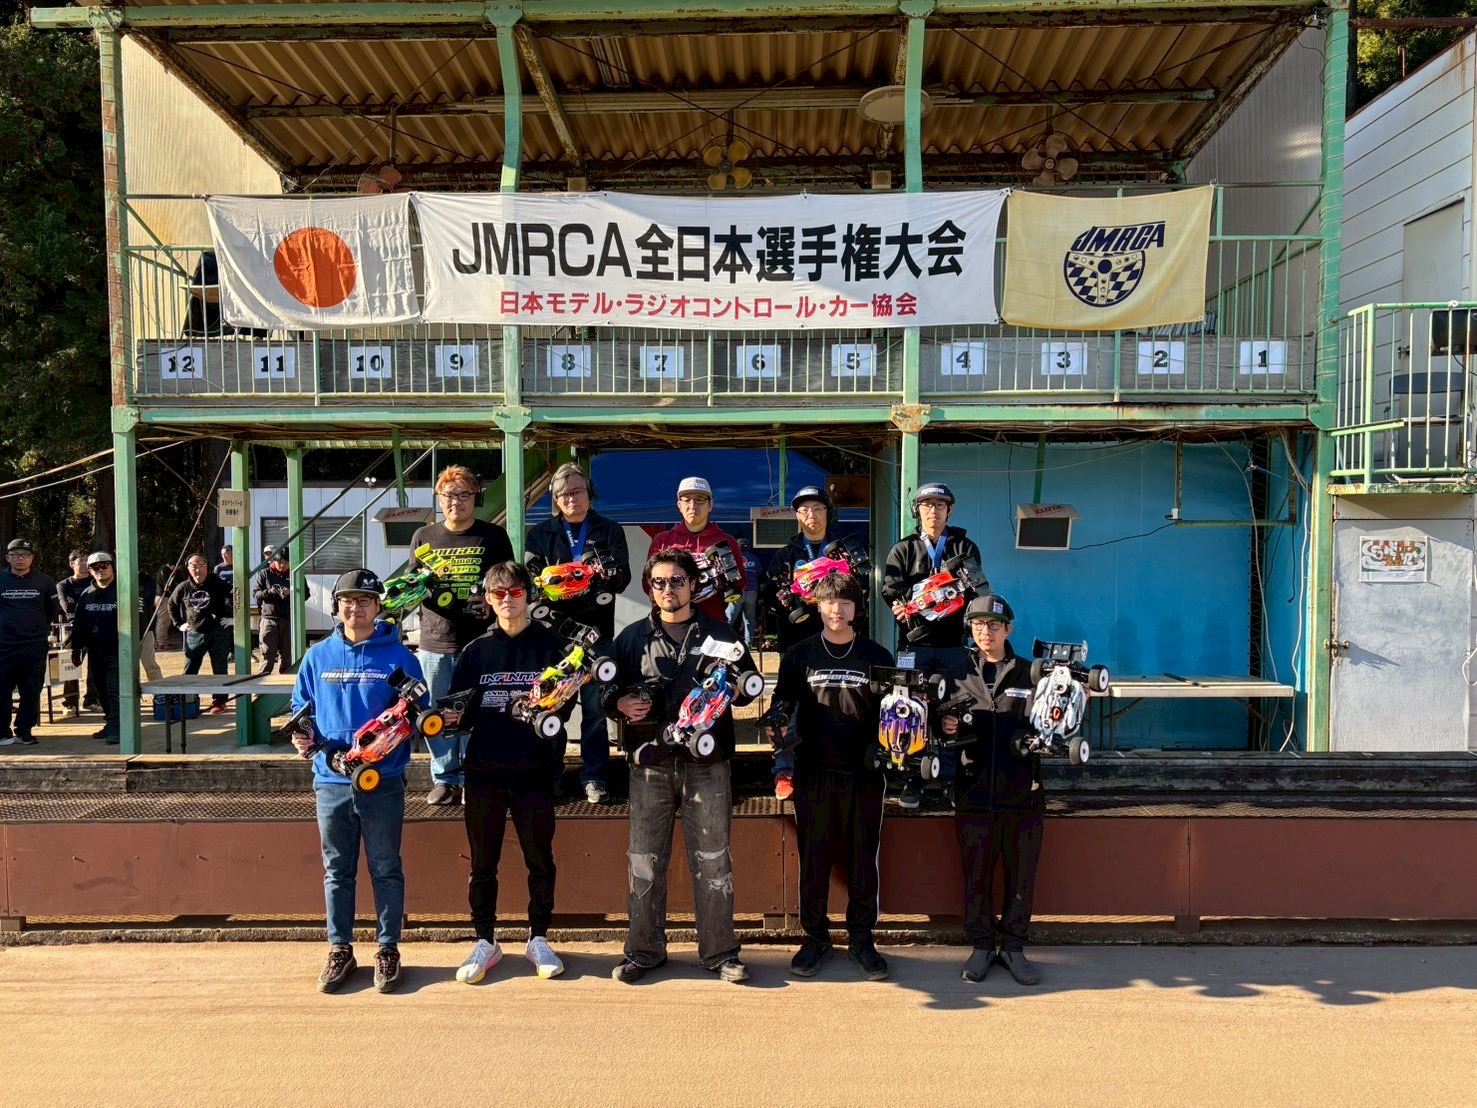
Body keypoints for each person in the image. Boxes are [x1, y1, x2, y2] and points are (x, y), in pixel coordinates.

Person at [604, 549, 760, 985]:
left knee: (713, 861)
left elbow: (749, 689)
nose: (668, 589)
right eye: (659, 582)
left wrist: (733, 690)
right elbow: (606, 692)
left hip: (707, 764)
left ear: (693, 584)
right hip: (648, 766)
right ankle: (643, 951)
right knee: (644, 862)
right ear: (649, 588)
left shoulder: (721, 634)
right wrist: (620, 702)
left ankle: (720, 953)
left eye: (677, 580)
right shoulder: (631, 638)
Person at [289, 568, 424, 994]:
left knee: (386, 867)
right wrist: (302, 736)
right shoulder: (317, 657)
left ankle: (388, 949)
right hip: (331, 780)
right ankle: (340, 949)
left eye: (365, 600)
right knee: (337, 870)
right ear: (337, 606)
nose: (356, 608)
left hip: (382, 780)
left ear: (378, 606)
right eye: (348, 600)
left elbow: (420, 712)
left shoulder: (401, 657)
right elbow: (300, 709)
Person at [444, 562, 568, 983]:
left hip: (536, 769)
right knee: (483, 863)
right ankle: (485, 940)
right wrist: (446, 717)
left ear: (528, 595)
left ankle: (539, 938)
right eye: (499, 594)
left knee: (540, 859)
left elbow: (564, 705)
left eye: (515, 592)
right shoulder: (475, 651)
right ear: (488, 599)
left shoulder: (552, 646)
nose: (508, 600)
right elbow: (458, 711)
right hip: (485, 771)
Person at [768, 573, 894, 981]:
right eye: (829, 602)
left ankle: (862, 938)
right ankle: (815, 938)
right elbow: (782, 706)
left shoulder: (877, 655)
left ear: (857, 609)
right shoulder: (799, 655)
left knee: (863, 858)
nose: (837, 610)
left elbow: (896, 712)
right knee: (814, 858)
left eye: (845, 602)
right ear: (818, 606)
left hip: (864, 773)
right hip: (813, 771)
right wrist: (775, 726)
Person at [937, 594, 1043, 986]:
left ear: (1008, 629)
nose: (986, 632)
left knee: (1021, 878)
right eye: (979, 625)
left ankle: (1014, 948)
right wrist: (944, 726)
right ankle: (981, 946)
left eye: (994, 625)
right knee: (976, 875)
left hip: (1023, 793)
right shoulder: (955, 674)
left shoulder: (1032, 674)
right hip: (973, 792)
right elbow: (936, 727)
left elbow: (1051, 725)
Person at [523, 461, 632, 804]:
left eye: (578, 491)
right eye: (564, 494)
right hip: (555, 636)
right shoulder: (540, 534)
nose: (572, 498)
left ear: (590, 494)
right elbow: (533, 585)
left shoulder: (609, 530)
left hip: (597, 634)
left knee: (595, 711)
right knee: (552, 705)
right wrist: (561, 583)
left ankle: (595, 777)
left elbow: (623, 579)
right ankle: (551, 775)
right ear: (555, 499)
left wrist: (597, 578)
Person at [411, 465, 514, 807]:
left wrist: (491, 601)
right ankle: (444, 778)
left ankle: (473, 777)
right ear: (439, 499)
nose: (456, 501)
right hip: (435, 640)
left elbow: (509, 582)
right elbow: (412, 586)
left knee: (477, 711)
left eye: (464, 495)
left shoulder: (494, 537)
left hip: (480, 641)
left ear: (476, 498)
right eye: (449, 495)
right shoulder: (423, 537)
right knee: (437, 715)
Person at [881, 482, 987, 810]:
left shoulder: (965, 547)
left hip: (954, 644)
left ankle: (950, 779)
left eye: (940, 505)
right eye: (927, 505)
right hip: (914, 645)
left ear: (949, 511)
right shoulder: (903, 548)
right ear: (917, 511)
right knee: (909, 710)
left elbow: (978, 589)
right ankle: (912, 777)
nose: (933, 511)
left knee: (953, 711)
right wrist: (899, 606)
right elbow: (890, 588)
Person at [764, 486, 869, 656]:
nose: (811, 515)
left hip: (842, 637)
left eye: (818, 509)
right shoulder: (784, 555)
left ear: (828, 513)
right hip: (796, 638)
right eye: (804, 510)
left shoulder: (845, 552)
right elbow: (769, 596)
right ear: (797, 516)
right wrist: (783, 600)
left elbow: (865, 589)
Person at [646, 477, 747, 623]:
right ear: (679, 505)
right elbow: (648, 583)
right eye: (687, 500)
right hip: (671, 624)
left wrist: (722, 580)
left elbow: (741, 583)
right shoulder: (662, 541)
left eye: (699, 500)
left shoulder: (726, 542)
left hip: (713, 623)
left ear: (710, 505)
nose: (692, 506)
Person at [0, 539, 59, 747]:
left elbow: (52, 611)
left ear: (32, 558)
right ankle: (2, 732)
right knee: (2, 690)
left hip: (34, 645)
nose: (20, 559)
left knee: (31, 690)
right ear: (8, 558)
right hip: (3, 646)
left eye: (25, 555)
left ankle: (24, 731)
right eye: (16, 555)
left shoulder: (45, 581)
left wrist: (37, 629)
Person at [169, 553, 234, 714]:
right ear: (188, 568)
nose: (198, 569)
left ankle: (220, 701)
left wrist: (233, 618)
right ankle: (187, 700)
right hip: (195, 633)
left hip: (218, 632)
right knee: (190, 667)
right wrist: (179, 624)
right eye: (194, 565)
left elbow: (236, 596)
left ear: (208, 567)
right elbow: (171, 604)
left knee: (220, 668)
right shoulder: (184, 587)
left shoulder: (218, 583)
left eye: (202, 565)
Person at [70, 552, 121, 744]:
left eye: (104, 565)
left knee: (115, 690)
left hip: (118, 651)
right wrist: (76, 649)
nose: (100, 570)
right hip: (95, 652)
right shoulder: (87, 594)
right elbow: (78, 624)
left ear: (112, 566)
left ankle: (117, 728)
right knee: (101, 691)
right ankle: (111, 723)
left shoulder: (123, 590)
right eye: (95, 567)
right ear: (90, 571)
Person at [253, 545, 306, 675]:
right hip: (269, 619)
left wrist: (292, 592)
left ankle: (286, 684)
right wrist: (270, 592)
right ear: (274, 561)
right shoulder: (265, 573)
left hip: (288, 619)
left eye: (286, 563)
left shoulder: (296, 574)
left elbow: (306, 594)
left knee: (288, 655)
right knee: (267, 653)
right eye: (279, 562)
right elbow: (256, 594)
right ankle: (262, 683)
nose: (282, 565)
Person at [56, 550, 95, 716]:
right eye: (81, 562)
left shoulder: (95, 582)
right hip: (73, 629)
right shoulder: (64, 585)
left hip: (96, 627)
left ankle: (92, 700)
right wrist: (89, 605)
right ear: (72, 564)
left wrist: (77, 604)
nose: (85, 565)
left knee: (95, 666)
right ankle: (70, 702)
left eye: (87, 561)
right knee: (70, 665)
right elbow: (67, 608)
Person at [729, 538, 760, 648]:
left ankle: (726, 641)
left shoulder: (733, 558)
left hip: (738, 592)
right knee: (749, 619)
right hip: (752, 592)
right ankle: (749, 644)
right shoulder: (754, 558)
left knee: (729, 619)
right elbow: (759, 572)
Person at [137, 568, 164, 684]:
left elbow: (152, 600)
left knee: (150, 664)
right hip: (123, 632)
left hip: (145, 628)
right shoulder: (114, 580)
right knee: (124, 666)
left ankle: (160, 691)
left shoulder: (145, 578)